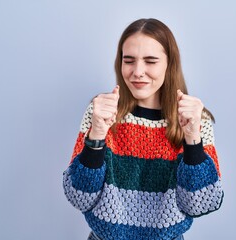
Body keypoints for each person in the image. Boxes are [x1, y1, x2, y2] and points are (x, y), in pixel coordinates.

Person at [63, 18, 224, 240]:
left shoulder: (197, 121)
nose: (138, 71)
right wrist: (98, 133)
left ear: (169, 64)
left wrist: (192, 138)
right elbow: (79, 196)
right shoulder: (100, 112)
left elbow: (202, 203)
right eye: (129, 60)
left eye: (150, 61)